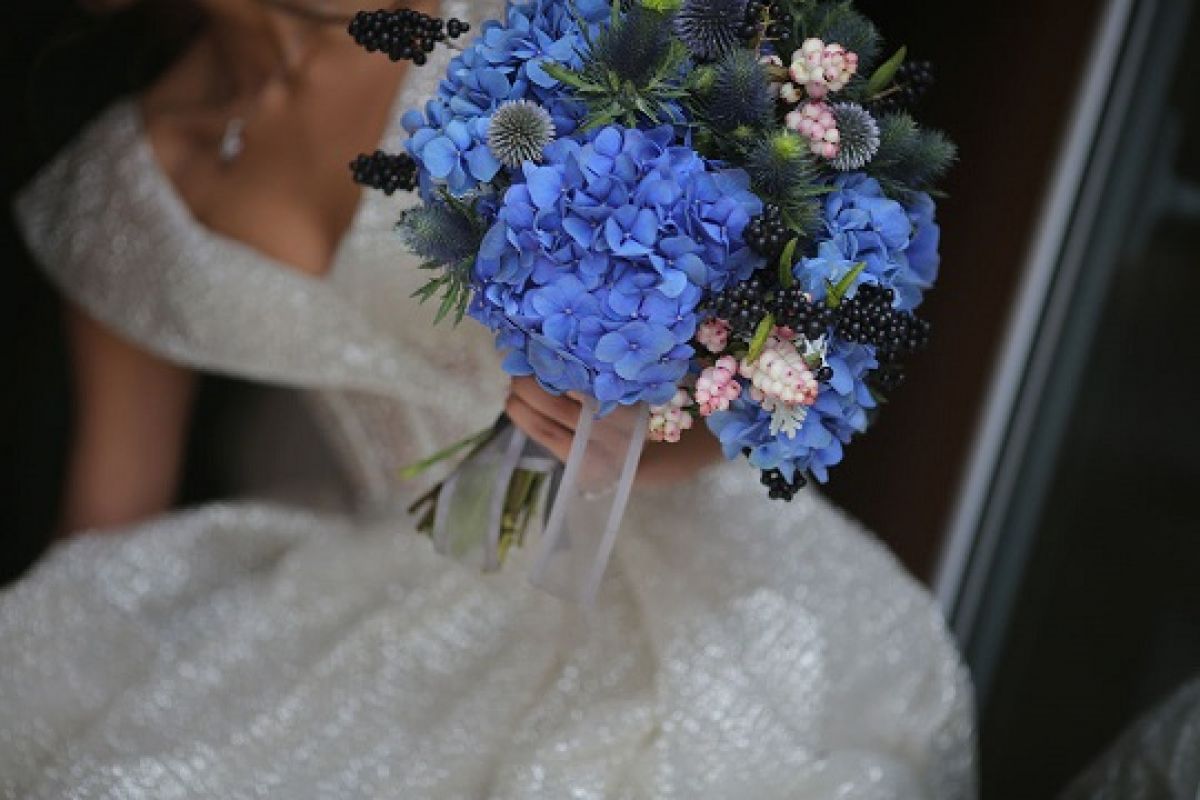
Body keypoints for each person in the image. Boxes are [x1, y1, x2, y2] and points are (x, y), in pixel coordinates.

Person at [1, 0, 977, 796]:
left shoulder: (514, 19)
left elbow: (784, 305)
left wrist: (647, 429)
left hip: (680, 572)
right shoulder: (125, 187)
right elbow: (109, 526)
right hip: (382, 602)